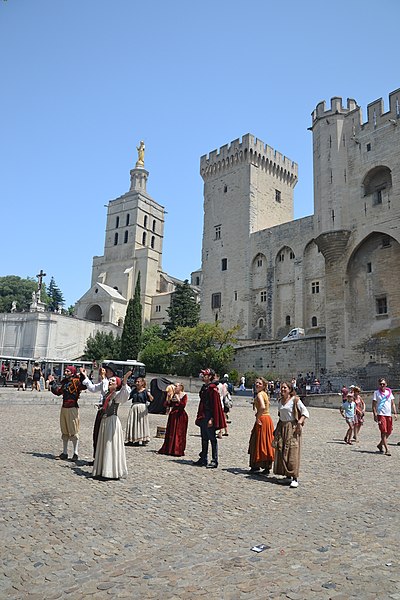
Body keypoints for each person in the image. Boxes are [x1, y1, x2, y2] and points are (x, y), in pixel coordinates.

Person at [92, 370, 132, 480]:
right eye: (110, 380)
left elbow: (126, 393)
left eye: (113, 381)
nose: (110, 382)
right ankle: (102, 468)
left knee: (110, 446)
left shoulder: (117, 395)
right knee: (103, 445)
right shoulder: (107, 394)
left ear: (117, 384)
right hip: (104, 421)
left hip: (112, 421)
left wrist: (124, 381)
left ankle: (110, 471)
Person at [273, 381, 309, 488]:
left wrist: (299, 423)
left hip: (292, 428)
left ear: (289, 389)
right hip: (282, 427)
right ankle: (287, 475)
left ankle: (294, 477)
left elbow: (305, 412)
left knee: (293, 451)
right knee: (282, 450)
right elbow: (281, 416)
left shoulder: (295, 400)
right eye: (281, 388)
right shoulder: (280, 401)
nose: (283, 389)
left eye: (285, 388)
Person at [48, 366, 87, 461]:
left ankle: (75, 453)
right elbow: (58, 392)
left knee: (73, 430)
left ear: (72, 372)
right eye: (65, 370)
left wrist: (82, 375)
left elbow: (84, 385)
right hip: (64, 407)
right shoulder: (64, 382)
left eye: (67, 371)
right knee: (64, 430)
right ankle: (65, 452)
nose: (65, 372)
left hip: (72, 407)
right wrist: (52, 383)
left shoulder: (77, 381)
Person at [80, 365, 116, 465]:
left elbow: (105, 391)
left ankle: (104, 459)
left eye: (106, 371)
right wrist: (85, 376)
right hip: (101, 410)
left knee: (104, 435)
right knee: (96, 433)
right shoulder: (105, 382)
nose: (104, 372)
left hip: (108, 412)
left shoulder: (112, 384)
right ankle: (97, 457)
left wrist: (104, 378)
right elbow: (92, 388)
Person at [193, 368, 227, 469]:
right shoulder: (205, 387)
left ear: (210, 376)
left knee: (212, 438)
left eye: (205, 375)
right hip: (203, 415)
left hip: (209, 415)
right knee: (204, 438)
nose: (203, 376)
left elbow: (215, 406)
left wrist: (212, 418)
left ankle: (214, 460)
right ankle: (203, 458)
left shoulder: (213, 389)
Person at [248, 377, 275, 475]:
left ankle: (257, 464)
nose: (257, 385)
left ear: (263, 385)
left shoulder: (260, 394)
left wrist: (257, 417)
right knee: (266, 441)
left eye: (259, 383)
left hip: (262, 418)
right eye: (256, 383)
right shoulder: (264, 394)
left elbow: (263, 407)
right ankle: (266, 465)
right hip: (267, 418)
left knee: (258, 441)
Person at [158, 382, 189, 456]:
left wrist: (178, 400)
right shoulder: (174, 395)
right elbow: (168, 404)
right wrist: (168, 399)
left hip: (180, 415)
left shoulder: (184, 395)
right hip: (173, 415)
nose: (175, 387)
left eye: (176, 386)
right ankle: (169, 448)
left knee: (179, 432)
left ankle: (177, 449)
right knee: (171, 431)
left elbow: (183, 405)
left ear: (181, 387)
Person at [125, 377, 153, 446]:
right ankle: (132, 439)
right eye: (136, 382)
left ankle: (142, 439)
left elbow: (151, 400)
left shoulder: (145, 391)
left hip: (142, 408)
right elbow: (128, 397)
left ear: (142, 383)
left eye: (138, 382)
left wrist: (149, 395)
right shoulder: (134, 390)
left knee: (141, 423)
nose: (137, 383)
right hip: (134, 407)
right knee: (132, 423)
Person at [372, 378, 397, 456]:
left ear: (386, 384)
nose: (382, 385)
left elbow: (392, 403)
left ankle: (380, 444)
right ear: (379, 384)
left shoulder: (389, 392)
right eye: (380, 384)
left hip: (388, 415)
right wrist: (375, 414)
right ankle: (387, 449)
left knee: (389, 431)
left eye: (383, 384)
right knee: (384, 431)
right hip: (381, 414)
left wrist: (395, 413)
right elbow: (374, 405)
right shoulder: (376, 393)